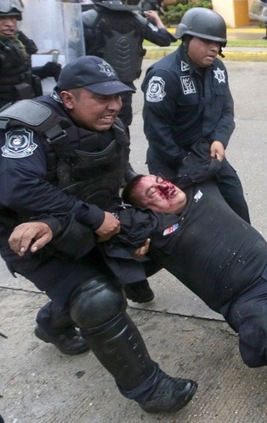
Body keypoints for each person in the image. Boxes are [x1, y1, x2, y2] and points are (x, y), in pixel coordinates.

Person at [9, 167, 267, 417]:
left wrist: (215, 140)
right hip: (247, 299)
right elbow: (99, 226)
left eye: (159, 180)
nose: (160, 187)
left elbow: (209, 134)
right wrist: (51, 225)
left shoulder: (199, 182)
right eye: (149, 193)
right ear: (144, 208)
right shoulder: (148, 229)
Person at [0, 56, 196, 412]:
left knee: (149, 250)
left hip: (82, 222)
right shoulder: (30, 124)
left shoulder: (110, 123)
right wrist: (92, 216)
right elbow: (18, 189)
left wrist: (138, 206)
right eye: (101, 97)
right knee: (97, 299)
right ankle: (150, 390)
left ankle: (52, 322)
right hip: (28, 234)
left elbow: (114, 171)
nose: (113, 106)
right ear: (68, 98)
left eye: (117, 97)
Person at [141, 8, 250, 224]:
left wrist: (220, 139)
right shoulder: (164, 75)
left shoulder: (218, 69)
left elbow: (227, 111)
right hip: (172, 158)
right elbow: (156, 131)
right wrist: (183, 160)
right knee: (186, 220)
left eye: (218, 44)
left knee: (235, 198)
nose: (214, 49)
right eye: (207, 42)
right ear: (187, 39)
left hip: (206, 153)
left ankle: (251, 251)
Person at [82, 0, 175, 126]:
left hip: (94, 87)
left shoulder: (88, 19)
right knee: (122, 128)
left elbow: (72, 49)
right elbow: (164, 39)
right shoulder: (137, 19)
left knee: (92, 129)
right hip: (124, 88)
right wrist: (157, 19)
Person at [0, 0, 62, 109]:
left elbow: (16, 76)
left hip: (21, 110)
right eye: (2, 18)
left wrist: (43, 71)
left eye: (13, 18)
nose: (9, 24)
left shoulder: (14, 42)